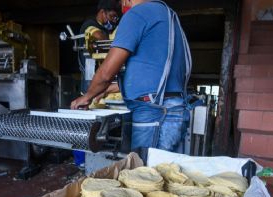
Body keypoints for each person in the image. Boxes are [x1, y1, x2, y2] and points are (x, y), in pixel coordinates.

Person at [71, 0, 192, 153]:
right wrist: (107, 89)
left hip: (153, 113)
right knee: (166, 172)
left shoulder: (137, 14)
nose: (122, 9)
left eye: (121, 4)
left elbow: (106, 72)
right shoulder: (168, 16)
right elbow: (152, 73)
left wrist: (87, 96)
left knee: (143, 172)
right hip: (174, 110)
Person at [78, 0, 120, 92]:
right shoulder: (89, 24)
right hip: (91, 78)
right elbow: (98, 36)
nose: (114, 20)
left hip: (104, 78)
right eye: (112, 16)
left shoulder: (108, 29)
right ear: (102, 12)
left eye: (116, 18)